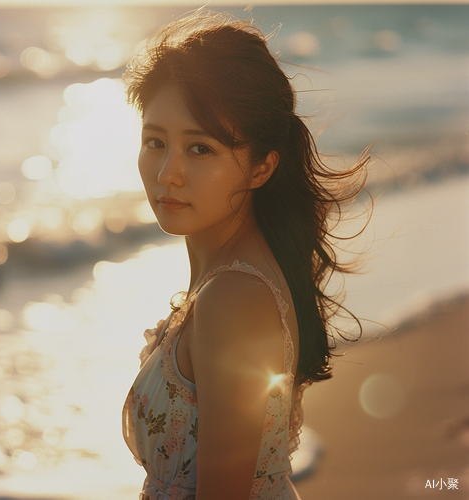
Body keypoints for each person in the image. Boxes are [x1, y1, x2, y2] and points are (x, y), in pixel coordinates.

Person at [121, 9, 370, 500]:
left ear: (261, 168)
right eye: (155, 141)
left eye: (200, 149)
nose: (168, 172)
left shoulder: (233, 298)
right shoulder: (233, 280)